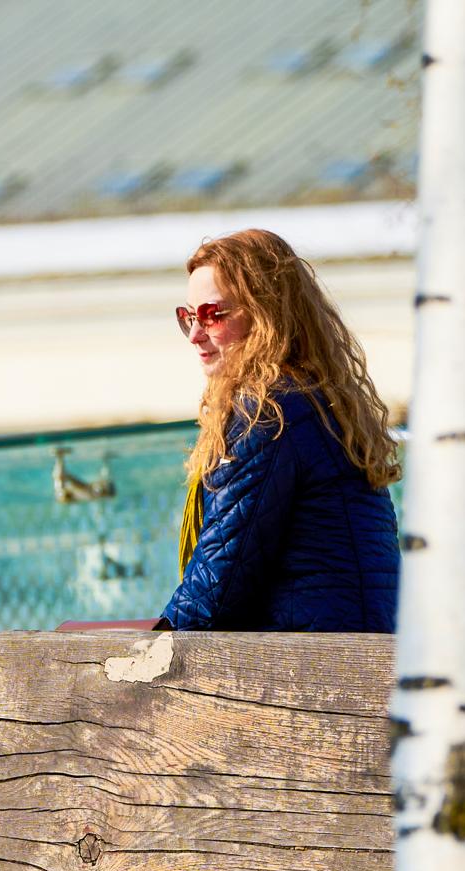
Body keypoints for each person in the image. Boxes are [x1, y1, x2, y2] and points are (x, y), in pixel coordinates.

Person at [157, 229, 401, 633]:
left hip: (317, 669)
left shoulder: (268, 412)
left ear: (265, 313)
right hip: (357, 652)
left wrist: (140, 650)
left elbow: (219, 586)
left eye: (212, 315)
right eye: (188, 317)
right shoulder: (319, 401)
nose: (196, 335)